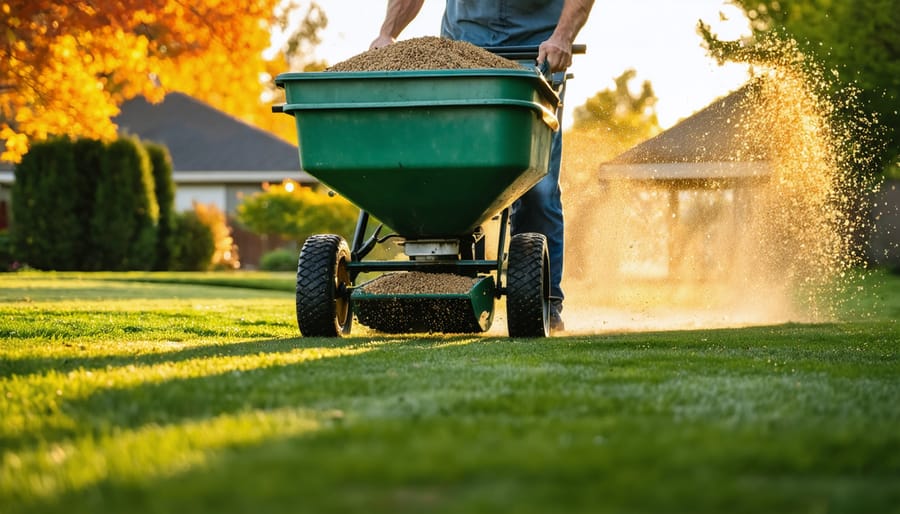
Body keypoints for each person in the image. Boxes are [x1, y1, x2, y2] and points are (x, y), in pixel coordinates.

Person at [371, 0, 594, 331]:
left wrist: (562, 36)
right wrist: (387, 33)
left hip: (535, 57)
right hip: (461, 56)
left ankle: (544, 302)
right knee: (453, 177)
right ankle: (452, 292)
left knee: (537, 186)